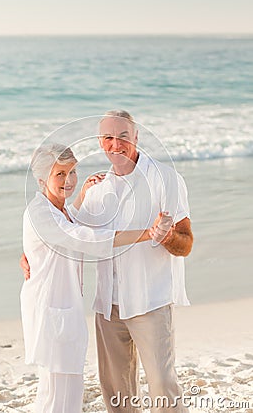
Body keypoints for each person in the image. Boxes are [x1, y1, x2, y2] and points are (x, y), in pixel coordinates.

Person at [21, 111, 193, 412]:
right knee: (116, 393)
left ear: (136, 137)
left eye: (123, 136)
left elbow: (186, 243)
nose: (116, 144)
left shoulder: (166, 179)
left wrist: (164, 236)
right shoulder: (98, 188)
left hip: (149, 301)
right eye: (108, 138)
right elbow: (75, 232)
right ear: (100, 143)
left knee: (163, 387)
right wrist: (32, 250)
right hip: (108, 307)